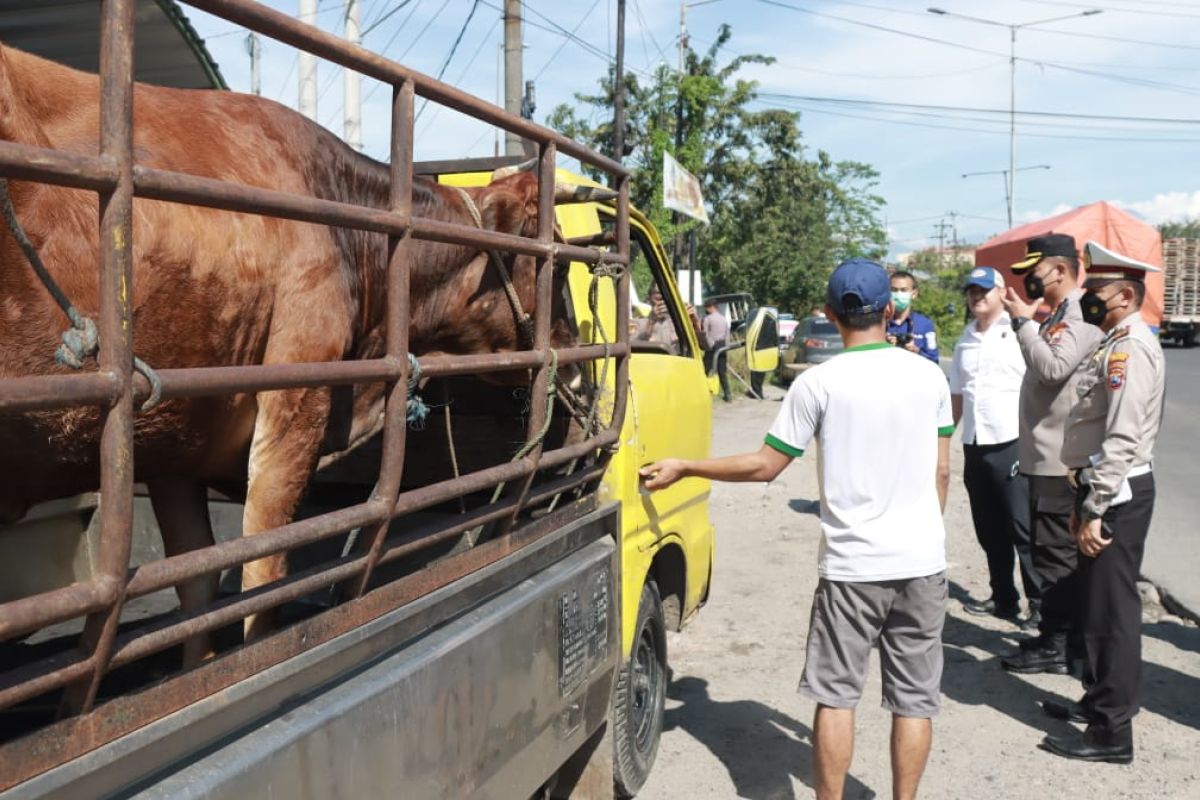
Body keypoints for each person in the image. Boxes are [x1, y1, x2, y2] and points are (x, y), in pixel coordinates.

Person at [640, 258, 953, 800]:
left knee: (836, 697)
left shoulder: (818, 383)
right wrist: (923, 531)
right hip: (922, 562)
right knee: (915, 699)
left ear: (831, 315)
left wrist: (687, 466)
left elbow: (765, 465)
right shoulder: (929, 375)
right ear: (889, 309)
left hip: (853, 568)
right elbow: (943, 470)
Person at [1040, 242, 1166, 765]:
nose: (1089, 297)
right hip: (1099, 489)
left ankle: (1112, 734)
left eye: (1097, 291)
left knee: (1112, 616)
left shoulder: (1130, 347)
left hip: (1115, 494)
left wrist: (1095, 507)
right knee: (1096, 608)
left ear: (1125, 294)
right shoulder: (1113, 340)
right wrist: (1084, 497)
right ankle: (1097, 703)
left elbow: (1122, 437)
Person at [999, 233, 1104, 676]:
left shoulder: (1079, 313)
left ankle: (1061, 646)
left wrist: (1024, 323)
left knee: (1057, 556)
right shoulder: (1059, 312)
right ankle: (1057, 639)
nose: (1029, 281)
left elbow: (1053, 368)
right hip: (1046, 456)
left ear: (1059, 270)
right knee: (1048, 552)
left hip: (1061, 460)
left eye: (1034, 272)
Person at [948, 267, 1041, 628]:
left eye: (984, 290)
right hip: (975, 444)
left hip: (1013, 443)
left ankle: (1040, 606)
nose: (977, 297)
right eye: (972, 291)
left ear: (1002, 292)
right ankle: (1003, 596)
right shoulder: (964, 340)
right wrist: (943, 440)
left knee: (1023, 528)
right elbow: (958, 397)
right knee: (988, 528)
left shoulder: (1019, 331)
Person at [887, 270, 939, 364]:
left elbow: (934, 360)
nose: (898, 294)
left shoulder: (925, 324)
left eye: (903, 290)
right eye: (894, 290)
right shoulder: (880, 323)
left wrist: (916, 351)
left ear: (914, 294)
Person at [701, 298, 731, 402]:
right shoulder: (723, 319)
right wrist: (726, 348)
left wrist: (707, 346)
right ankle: (728, 394)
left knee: (704, 369)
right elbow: (727, 335)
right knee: (722, 371)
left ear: (710, 307)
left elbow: (705, 334)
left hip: (712, 345)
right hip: (722, 345)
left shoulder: (707, 319)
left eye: (706, 308)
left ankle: (701, 391)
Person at [634, 286, 679, 352]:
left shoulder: (677, 323)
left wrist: (694, 321)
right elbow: (633, 347)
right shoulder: (638, 322)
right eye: (658, 293)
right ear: (649, 296)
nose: (662, 296)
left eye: (667, 293)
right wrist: (651, 321)